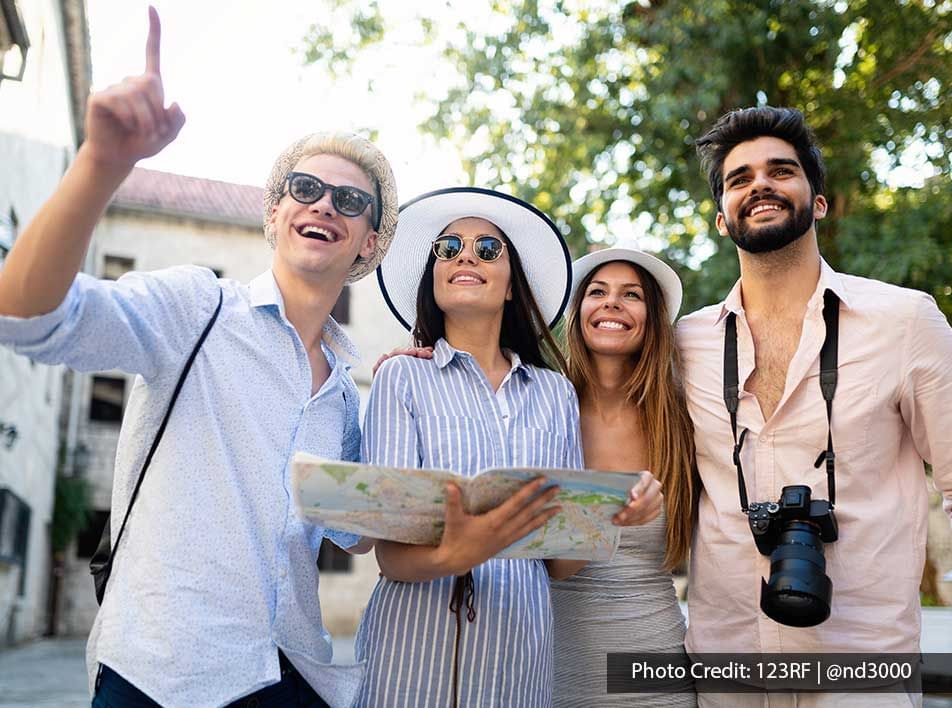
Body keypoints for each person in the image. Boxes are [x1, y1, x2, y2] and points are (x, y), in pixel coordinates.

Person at [0, 9, 398, 708]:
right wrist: (104, 162)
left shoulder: (345, 393)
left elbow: (352, 535)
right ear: (274, 214)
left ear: (369, 242)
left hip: (291, 675)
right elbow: (27, 317)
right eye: (305, 189)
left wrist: (419, 395)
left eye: (350, 200)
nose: (324, 204)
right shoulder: (196, 308)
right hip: (161, 676)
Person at [678, 106, 952, 707]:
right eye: (739, 178)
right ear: (721, 219)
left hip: (863, 667)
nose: (760, 186)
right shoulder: (685, 345)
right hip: (726, 668)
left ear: (819, 201)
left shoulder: (904, 321)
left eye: (781, 170)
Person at [356, 187, 584, 707]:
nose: (465, 255)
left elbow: (561, 562)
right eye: (448, 247)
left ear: (510, 287)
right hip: (410, 664)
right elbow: (391, 555)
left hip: (519, 665)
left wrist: (608, 521)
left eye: (487, 249)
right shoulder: (400, 379)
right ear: (433, 278)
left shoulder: (556, 394)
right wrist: (466, 549)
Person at [549, 245, 696, 707]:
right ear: (578, 314)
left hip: (656, 660)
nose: (612, 303)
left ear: (651, 318)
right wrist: (610, 517)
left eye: (631, 294)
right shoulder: (541, 405)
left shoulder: (683, 415)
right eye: (597, 292)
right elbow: (550, 566)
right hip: (555, 661)